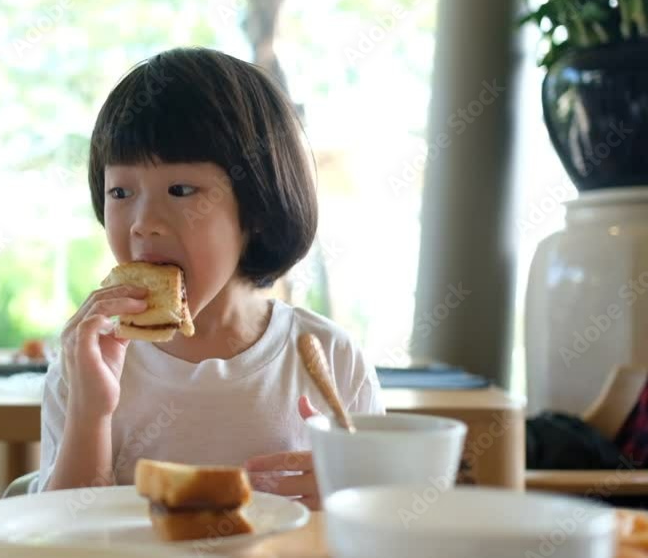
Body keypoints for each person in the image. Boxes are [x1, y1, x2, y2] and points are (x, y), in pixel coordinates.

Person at [34, 47, 385, 510]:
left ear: (256, 207)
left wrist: (343, 499)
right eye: (120, 191)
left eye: (180, 190)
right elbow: (58, 536)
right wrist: (90, 414)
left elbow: (385, 525)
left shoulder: (330, 359)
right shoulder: (87, 363)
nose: (143, 222)